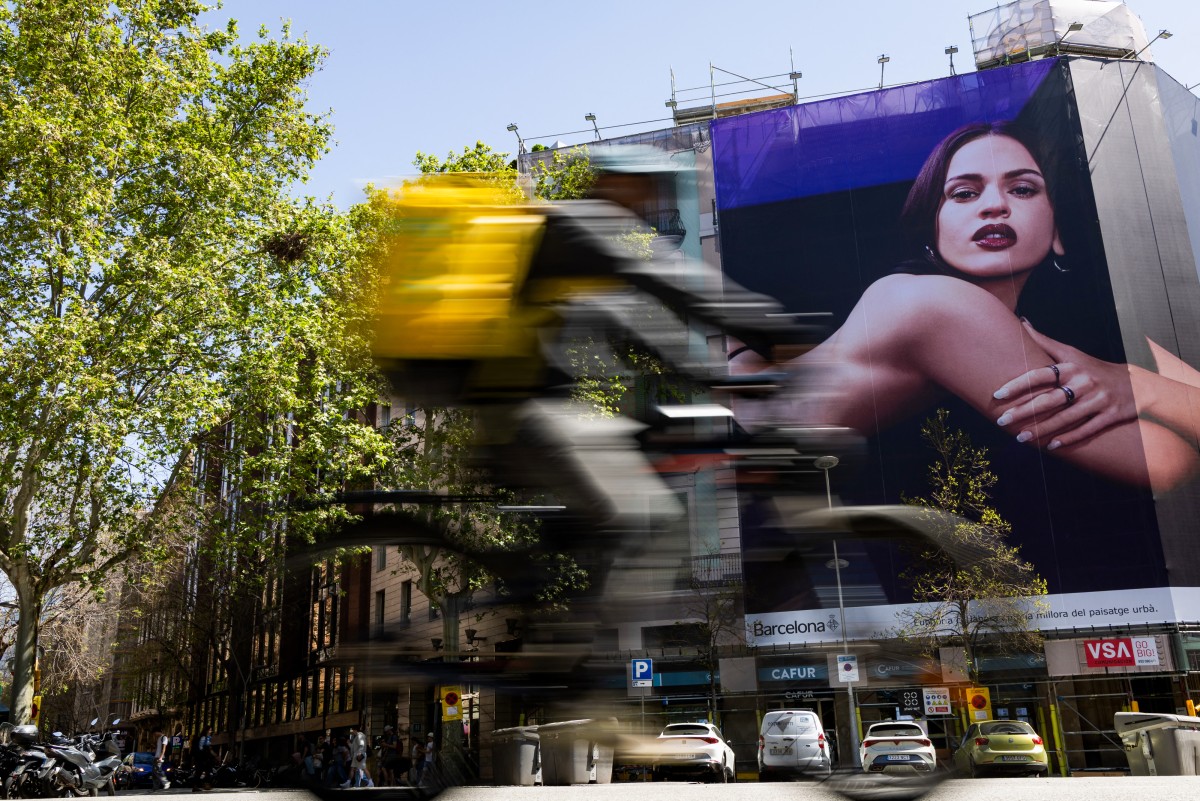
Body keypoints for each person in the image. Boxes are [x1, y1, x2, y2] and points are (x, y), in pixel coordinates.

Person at [741, 121, 1200, 492]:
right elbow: (1169, 464)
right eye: (964, 193)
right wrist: (1145, 387)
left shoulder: (1029, 324)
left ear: (1057, 231)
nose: (995, 206)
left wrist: (1138, 381)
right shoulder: (941, 304)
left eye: (1022, 189)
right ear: (931, 228)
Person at [190, 727, 213, 793]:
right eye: (210, 730)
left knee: (202, 771)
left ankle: (201, 785)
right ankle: (205, 785)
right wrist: (205, 754)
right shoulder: (204, 738)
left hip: (202, 758)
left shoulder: (206, 738)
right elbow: (201, 747)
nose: (211, 731)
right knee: (201, 771)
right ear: (206, 731)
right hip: (202, 758)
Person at [151, 724, 170, 791]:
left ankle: (166, 782)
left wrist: (161, 757)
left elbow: (164, 749)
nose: (154, 735)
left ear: (157, 731)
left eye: (154, 733)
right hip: (156, 757)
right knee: (154, 772)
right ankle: (155, 787)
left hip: (160, 757)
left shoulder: (164, 738)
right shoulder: (159, 738)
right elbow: (158, 748)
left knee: (158, 771)